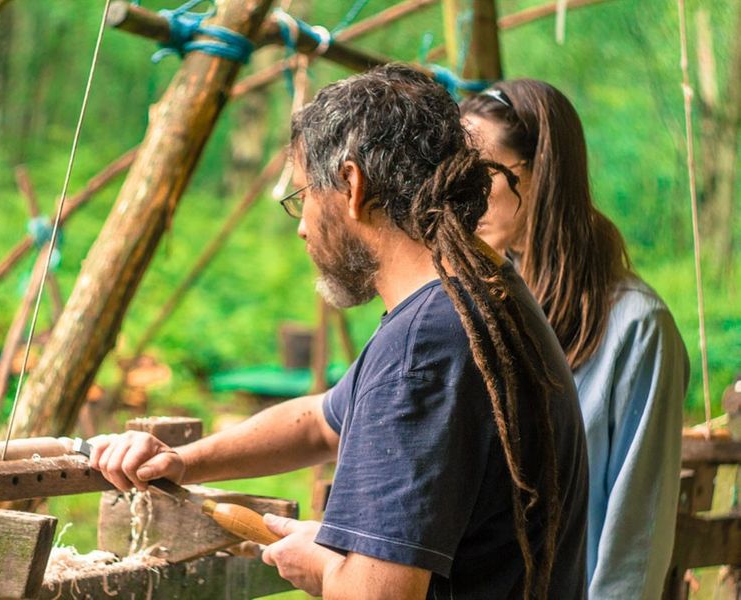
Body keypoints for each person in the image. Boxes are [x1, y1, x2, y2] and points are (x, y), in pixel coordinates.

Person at [90, 64, 588, 599]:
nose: (302, 225)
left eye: (303, 194)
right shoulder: (483, 291)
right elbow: (321, 422)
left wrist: (325, 567)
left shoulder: (423, 347)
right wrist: (185, 460)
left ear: (351, 185)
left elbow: (379, 595)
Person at [461, 80, 690, 599]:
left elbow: (636, 541)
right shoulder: (478, 308)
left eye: (482, 175)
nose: (463, 198)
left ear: (543, 175)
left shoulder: (637, 327)